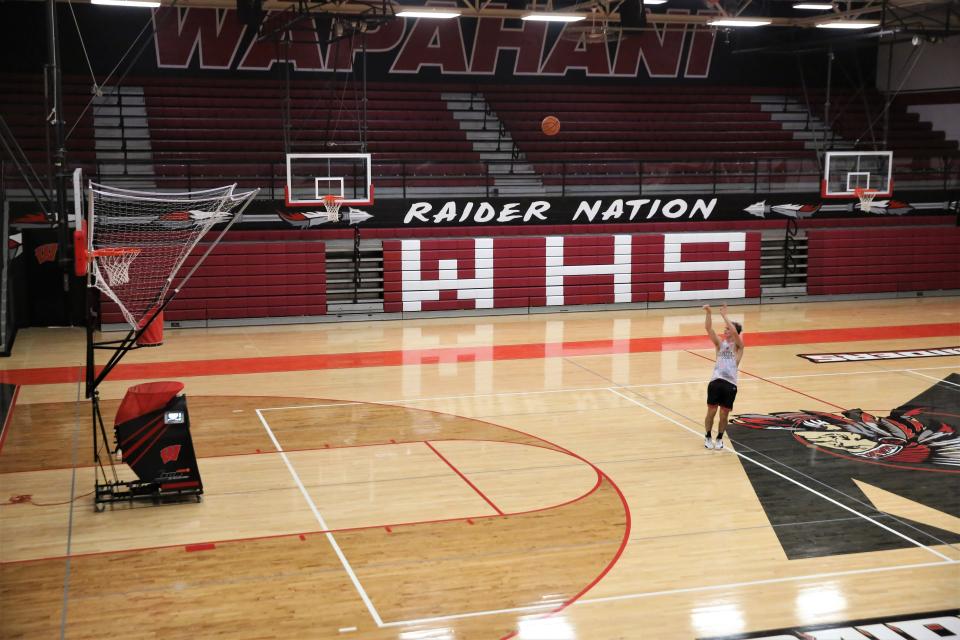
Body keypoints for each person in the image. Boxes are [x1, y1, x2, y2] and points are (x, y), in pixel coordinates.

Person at [703, 304, 743, 450]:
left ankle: (719, 438)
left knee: (724, 415)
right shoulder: (720, 344)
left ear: (734, 332)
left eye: (727, 329)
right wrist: (709, 313)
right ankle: (708, 436)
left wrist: (724, 315)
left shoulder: (739, 346)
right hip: (716, 381)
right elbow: (709, 329)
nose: (725, 330)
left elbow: (734, 330)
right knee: (711, 412)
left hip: (730, 384)